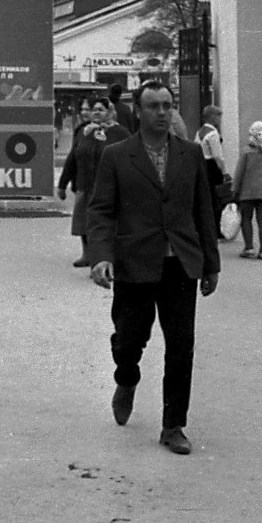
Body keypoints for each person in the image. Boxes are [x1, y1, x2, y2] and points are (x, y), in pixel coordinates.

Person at [87, 80, 219, 456]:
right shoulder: (116, 155)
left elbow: (203, 211)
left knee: (181, 346)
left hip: (180, 264)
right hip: (134, 264)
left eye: (168, 105)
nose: (162, 112)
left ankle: (173, 424)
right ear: (139, 111)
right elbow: (101, 210)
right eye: (154, 106)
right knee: (129, 340)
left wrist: (210, 264)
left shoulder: (191, 154)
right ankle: (126, 379)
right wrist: (101, 256)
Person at [57, 97, 130, 268]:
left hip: (107, 188)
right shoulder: (83, 131)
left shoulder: (120, 133)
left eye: (101, 110)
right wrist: (62, 184)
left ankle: (102, 259)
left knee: (103, 224)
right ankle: (87, 254)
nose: (96, 112)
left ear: (109, 112)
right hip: (84, 184)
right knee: (84, 223)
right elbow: (72, 158)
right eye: (94, 109)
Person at [231, 120, 262, 259]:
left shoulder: (246, 152)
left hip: (247, 191)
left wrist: (235, 190)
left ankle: (249, 247)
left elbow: (239, 173)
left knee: (246, 218)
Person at [194, 104, 229, 230]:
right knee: (217, 198)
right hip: (213, 168)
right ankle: (217, 228)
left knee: (206, 197)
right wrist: (224, 172)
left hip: (202, 166)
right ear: (213, 117)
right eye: (219, 116)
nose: (220, 120)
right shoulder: (213, 134)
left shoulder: (200, 132)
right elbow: (217, 156)